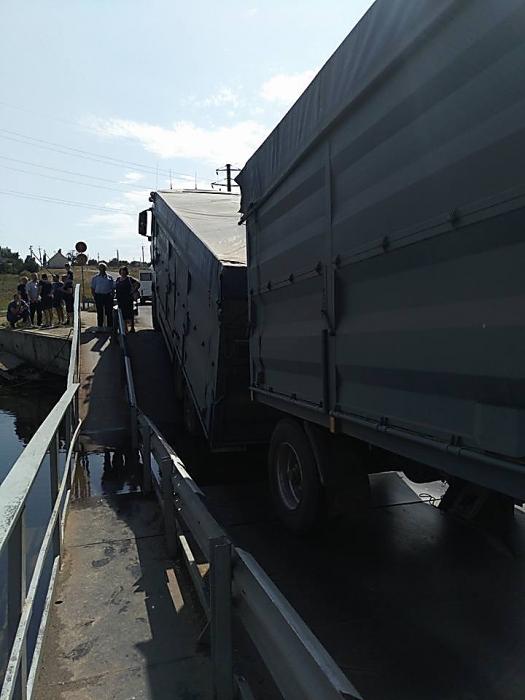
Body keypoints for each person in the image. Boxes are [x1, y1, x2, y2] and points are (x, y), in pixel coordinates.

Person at [90, 262, 114, 330]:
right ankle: (100, 326)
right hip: (99, 296)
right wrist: (94, 296)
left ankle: (110, 327)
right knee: (100, 312)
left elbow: (112, 287)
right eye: (100, 267)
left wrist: (112, 295)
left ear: (105, 268)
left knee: (109, 312)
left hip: (107, 296)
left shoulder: (109, 277)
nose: (101, 269)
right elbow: (92, 288)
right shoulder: (95, 278)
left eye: (103, 267)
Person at [115, 266, 140, 332]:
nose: (123, 272)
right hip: (120, 299)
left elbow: (138, 284)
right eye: (121, 271)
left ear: (126, 272)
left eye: (124, 271)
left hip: (128, 299)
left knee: (130, 313)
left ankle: (132, 328)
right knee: (122, 314)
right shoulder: (118, 279)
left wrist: (133, 290)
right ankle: (125, 328)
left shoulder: (129, 279)